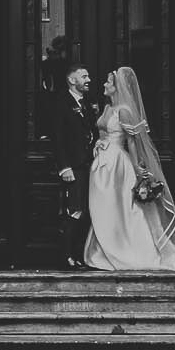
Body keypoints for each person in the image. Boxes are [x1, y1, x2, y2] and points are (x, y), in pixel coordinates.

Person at [83, 66, 175, 272]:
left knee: (122, 209)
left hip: (118, 166)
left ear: (117, 87)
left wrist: (138, 170)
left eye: (108, 82)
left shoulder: (125, 112)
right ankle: (104, 250)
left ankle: (126, 251)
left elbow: (133, 142)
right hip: (102, 166)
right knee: (104, 209)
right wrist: (99, 143)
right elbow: (103, 132)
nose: (104, 84)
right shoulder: (108, 108)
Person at [47, 62, 102, 269]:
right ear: (72, 80)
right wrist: (64, 167)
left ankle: (81, 254)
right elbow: (57, 138)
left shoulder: (88, 101)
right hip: (74, 167)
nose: (88, 80)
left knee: (88, 210)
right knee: (75, 210)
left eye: (88, 76)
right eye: (84, 76)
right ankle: (66, 256)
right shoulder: (60, 102)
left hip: (91, 165)